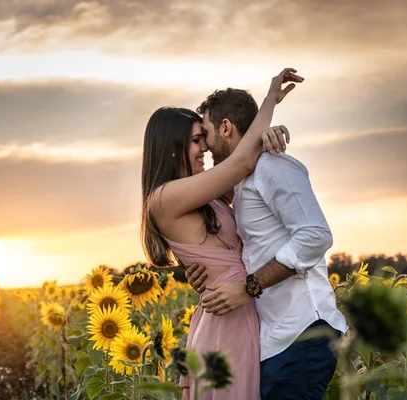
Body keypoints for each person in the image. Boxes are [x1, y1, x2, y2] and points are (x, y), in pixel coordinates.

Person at [141, 68, 303, 399]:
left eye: (205, 137)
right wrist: (270, 100)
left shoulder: (206, 194)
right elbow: (242, 163)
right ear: (173, 145)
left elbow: (248, 172)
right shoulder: (164, 197)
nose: (206, 148)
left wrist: (268, 137)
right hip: (226, 320)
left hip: (241, 308)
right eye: (197, 140)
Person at [185, 87, 349, 399]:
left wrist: (248, 287)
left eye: (204, 133)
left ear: (226, 128)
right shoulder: (244, 182)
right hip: (277, 339)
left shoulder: (273, 166)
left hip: (301, 333)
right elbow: (254, 247)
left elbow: (315, 236)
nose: (204, 145)